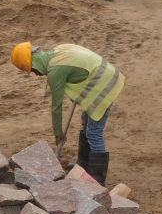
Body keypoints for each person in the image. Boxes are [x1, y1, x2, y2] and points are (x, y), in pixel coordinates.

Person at [11, 41, 124, 183]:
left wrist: (58, 133)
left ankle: (97, 178)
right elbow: (78, 69)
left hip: (106, 84)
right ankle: (83, 165)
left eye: (32, 70)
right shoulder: (59, 51)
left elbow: (56, 107)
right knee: (86, 121)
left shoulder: (55, 71)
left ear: (34, 64)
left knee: (94, 132)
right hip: (105, 76)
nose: (36, 74)